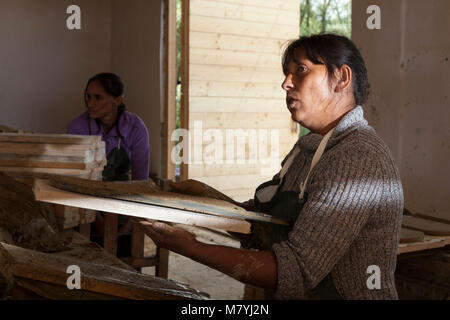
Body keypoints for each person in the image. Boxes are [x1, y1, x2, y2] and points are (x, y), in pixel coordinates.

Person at [138, 34, 404, 299]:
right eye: (287, 73)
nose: (286, 84)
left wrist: (190, 247)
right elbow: (265, 229)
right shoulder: (306, 150)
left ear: (342, 78)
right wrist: (206, 197)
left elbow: (296, 270)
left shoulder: (357, 157)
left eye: (301, 70)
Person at [68, 72, 150, 254]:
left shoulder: (135, 127)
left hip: (124, 203)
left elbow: (141, 180)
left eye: (98, 97)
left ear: (118, 100)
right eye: (88, 97)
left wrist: (128, 225)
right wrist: (99, 223)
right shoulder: (77, 127)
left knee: (125, 258)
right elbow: (76, 180)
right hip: (86, 204)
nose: (90, 103)